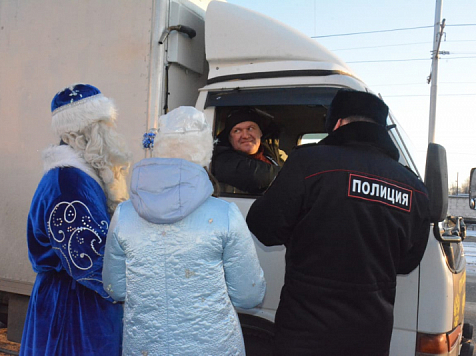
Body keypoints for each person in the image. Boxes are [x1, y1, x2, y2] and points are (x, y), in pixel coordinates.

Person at [246, 89, 431, 356]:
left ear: (338, 123)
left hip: (306, 331)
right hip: (371, 335)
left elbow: (264, 226)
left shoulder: (309, 162)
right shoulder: (413, 186)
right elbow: (407, 261)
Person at [102, 106, 266, 355]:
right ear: (203, 153)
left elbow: (115, 287)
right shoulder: (225, 214)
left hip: (146, 346)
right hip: (213, 346)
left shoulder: (124, 214)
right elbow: (248, 295)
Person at [20, 84, 131, 356]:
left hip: (75, 298)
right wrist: (132, 288)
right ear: (85, 131)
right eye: (104, 125)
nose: (110, 132)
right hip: (74, 308)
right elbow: (87, 260)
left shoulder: (80, 176)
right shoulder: (69, 182)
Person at [212, 107, 285, 194]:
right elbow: (256, 176)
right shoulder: (222, 160)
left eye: (250, 128)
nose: (245, 136)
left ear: (260, 133)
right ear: (229, 138)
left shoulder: (273, 154)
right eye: (237, 131)